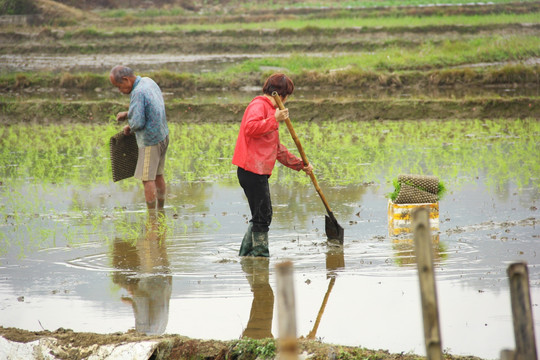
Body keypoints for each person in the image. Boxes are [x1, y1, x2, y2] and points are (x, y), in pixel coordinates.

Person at [232, 73, 313, 257]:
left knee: (261, 215)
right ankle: (260, 257)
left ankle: (246, 254)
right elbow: (250, 128)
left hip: (258, 171)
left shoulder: (270, 111)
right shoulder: (259, 105)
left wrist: (301, 165)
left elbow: (276, 149)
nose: (286, 101)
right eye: (287, 96)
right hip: (250, 170)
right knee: (263, 216)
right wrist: (274, 119)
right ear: (281, 94)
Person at [109, 65, 170, 211]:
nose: (119, 90)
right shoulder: (148, 82)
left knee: (147, 178)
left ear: (126, 79)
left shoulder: (137, 92)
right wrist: (129, 113)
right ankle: (161, 209)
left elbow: (138, 123)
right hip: (163, 135)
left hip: (150, 141)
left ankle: (151, 216)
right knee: (158, 174)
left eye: (119, 86)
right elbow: (150, 107)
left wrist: (129, 127)